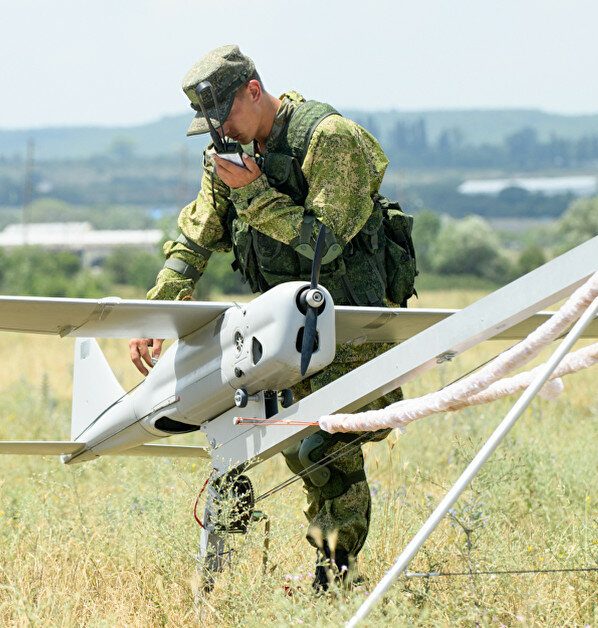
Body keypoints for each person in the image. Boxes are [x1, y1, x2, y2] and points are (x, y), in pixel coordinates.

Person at [128, 44, 414, 590]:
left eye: (227, 115)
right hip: (283, 339)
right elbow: (195, 238)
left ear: (254, 90)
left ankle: (335, 581)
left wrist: (254, 192)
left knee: (324, 449)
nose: (223, 133)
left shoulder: (330, 140)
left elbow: (322, 245)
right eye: (211, 125)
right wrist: (159, 307)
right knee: (245, 439)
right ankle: (251, 579)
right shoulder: (227, 154)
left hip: (353, 334)